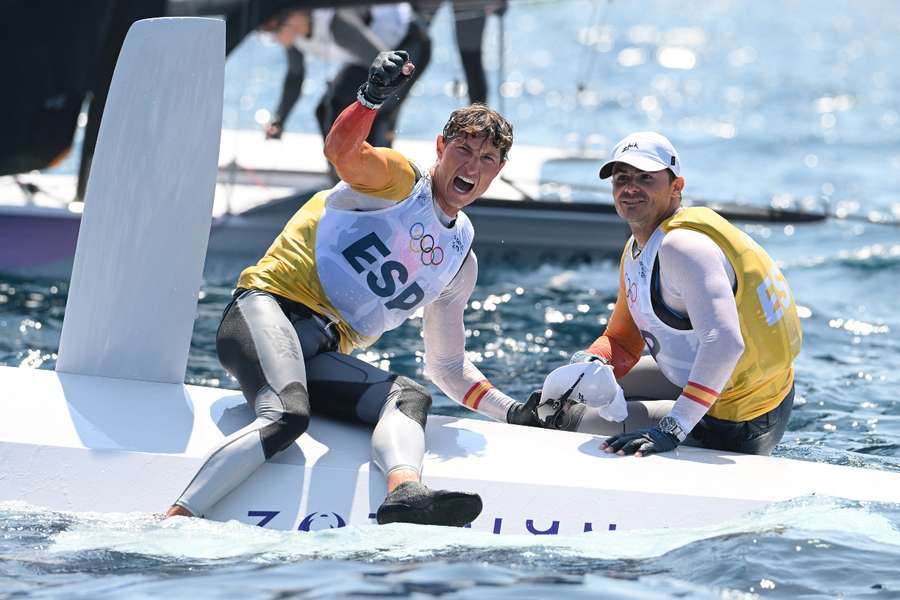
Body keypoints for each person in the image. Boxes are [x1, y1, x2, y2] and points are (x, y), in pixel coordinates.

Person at [166, 51, 538, 526]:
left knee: (410, 397)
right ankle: (173, 520)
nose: (472, 166)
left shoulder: (461, 258)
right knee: (286, 418)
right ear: (441, 147)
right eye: (463, 150)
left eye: (487, 158)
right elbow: (342, 152)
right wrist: (370, 99)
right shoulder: (399, 181)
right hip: (267, 309)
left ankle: (405, 493)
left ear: (499, 169)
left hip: (320, 352)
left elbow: (446, 365)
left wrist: (513, 414)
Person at [537, 132, 802, 457]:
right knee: (556, 401)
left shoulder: (683, 247)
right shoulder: (638, 248)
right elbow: (621, 341)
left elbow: (725, 343)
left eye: (645, 178)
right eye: (621, 179)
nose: (630, 188)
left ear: (676, 187)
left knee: (562, 420)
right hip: (728, 387)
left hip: (741, 421)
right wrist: (592, 361)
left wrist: (671, 429)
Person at [260, 4, 431, 147]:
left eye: (272, 28)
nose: (272, 37)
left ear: (295, 15)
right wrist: (280, 119)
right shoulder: (293, 37)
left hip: (408, 44)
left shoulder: (338, 25)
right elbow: (295, 77)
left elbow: (384, 62)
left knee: (372, 115)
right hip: (372, 58)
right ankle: (342, 180)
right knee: (325, 111)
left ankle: (379, 182)